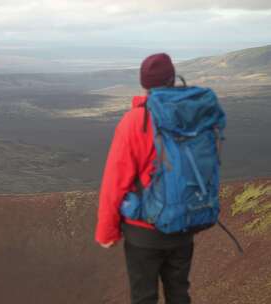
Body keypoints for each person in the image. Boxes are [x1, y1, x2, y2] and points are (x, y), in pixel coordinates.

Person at [95, 53, 195, 304]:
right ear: (173, 80)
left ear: (144, 84)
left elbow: (115, 181)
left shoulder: (134, 122)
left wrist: (107, 231)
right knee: (179, 294)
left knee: (144, 297)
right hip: (183, 227)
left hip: (144, 232)